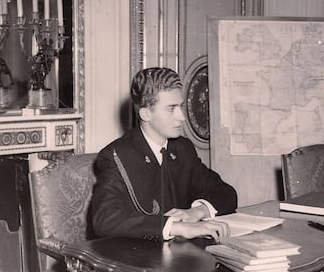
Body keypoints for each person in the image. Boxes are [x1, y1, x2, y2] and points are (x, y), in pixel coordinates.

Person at [91, 67, 237, 242]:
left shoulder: (183, 148)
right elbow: (105, 219)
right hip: (139, 260)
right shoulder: (116, 156)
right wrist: (177, 227)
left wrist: (197, 211)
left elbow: (226, 193)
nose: (182, 117)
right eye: (171, 108)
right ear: (146, 114)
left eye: (180, 106)